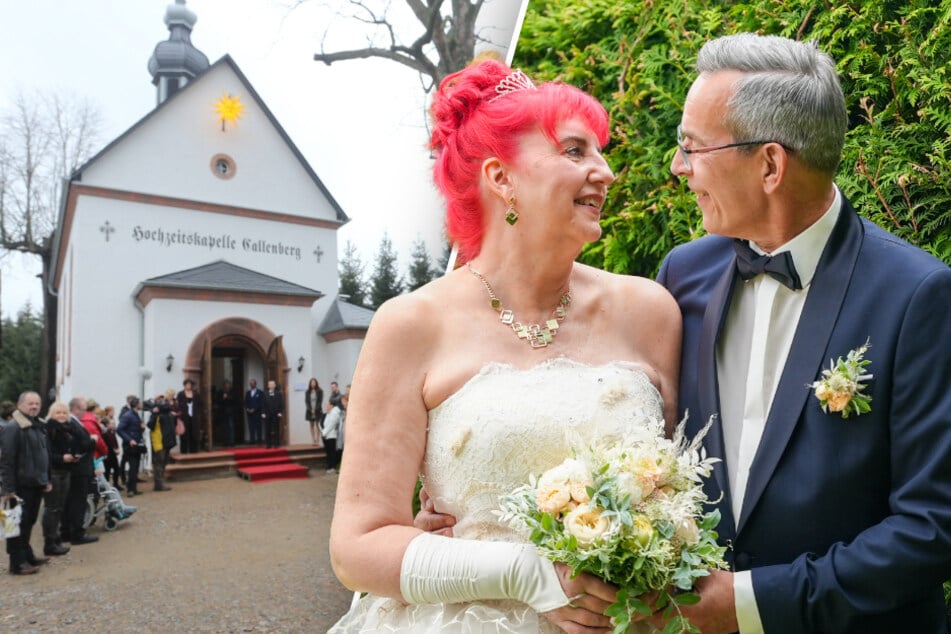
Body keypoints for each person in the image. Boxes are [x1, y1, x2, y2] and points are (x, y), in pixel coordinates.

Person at [327, 58, 680, 633]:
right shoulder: (411, 324)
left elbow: (681, 486)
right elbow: (356, 547)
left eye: (600, 152)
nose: (607, 172)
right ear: (501, 177)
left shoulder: (649, 312)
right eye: (574, 151)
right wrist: (527, 574)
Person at [652, 33, 951, 633]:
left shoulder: (919, 295)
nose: (678, 166)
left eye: (692, 147)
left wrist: (749, 603)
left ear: (769, 164)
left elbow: (932, 525)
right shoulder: (679, 276)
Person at [0, 391, 52, 575]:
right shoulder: (13, 427)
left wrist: (46, 479)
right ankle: (17, 563)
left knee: (28, 522)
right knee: (16, 525)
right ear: (20, 405)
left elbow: (42, 455)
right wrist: (7, 489)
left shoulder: (37, 425)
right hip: (19, 486)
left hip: (35, 483)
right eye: (30, 403)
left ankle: (27, 555)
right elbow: (6, 460)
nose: (34, 407)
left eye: (37, 403)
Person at [41, 401, 76, 557]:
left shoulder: (67, 429)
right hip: (54, 472)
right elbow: (46, 454)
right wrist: (63, 458)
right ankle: (49, 543)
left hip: (65, 471)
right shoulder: (49, 429)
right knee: (51, 508)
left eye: (64, 412)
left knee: (59, 507)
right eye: (58, 413)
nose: (61, 415)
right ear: (52, 414)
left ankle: (55, 539)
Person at [62, 396, 99, 545]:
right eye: (83, 409)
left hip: (78, 468)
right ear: (75, 409)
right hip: (80, 468)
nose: (85, 413)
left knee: (71, 500)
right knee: (78, 501)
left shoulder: (73, 423)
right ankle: (77, 533)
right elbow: (81, 444)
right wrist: (92, 440)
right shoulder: (72, 423)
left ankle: (67, 531)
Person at [147, 391, 176, 492]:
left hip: (166, 442)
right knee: (159, 464)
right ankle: (159, 485)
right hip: (159, 442)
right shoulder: (156, 415)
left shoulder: (167, 414)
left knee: (163, 463)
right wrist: (154, 414)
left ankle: (160, 483)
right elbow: (150, 425)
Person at [118, 398, 146, 496]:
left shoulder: (135, 414)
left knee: (135, 467)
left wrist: (141, 428)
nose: (141, 404)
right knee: (133, 467)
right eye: (140, 403)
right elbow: (120, 429)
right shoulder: (128, 416)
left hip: (136, 445)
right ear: (136, 404)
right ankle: (130, 490)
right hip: (130, 446)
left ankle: (133, 489)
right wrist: (129, 439)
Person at [319, 395, 344, 473]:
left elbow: (331, 424)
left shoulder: (334, 413)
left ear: (332, 405)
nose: (326, 406)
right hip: (326, 435)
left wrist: (324, 432)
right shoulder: (329, 413)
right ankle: (329, 466)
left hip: (331, 436)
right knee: (328, 452)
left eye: (327, 404)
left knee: (331, 452)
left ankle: (332, 467)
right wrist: (323, 432)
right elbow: (323, 423)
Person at [176, 379, 201, 454]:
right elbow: (178, 404)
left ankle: (193, 450)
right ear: (184, 385)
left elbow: (200, 404)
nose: (188, 386)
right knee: (184, 434)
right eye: (187, 384)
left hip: (193, 417)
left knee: (193, 433)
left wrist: (197, 411)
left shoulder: (195, 394)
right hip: (184, 417)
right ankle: (184, 451)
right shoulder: (180, 394)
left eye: (190, 385)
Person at [261, 380, 283, 449]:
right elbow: (263, 404)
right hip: (267, 414)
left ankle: (276, 444)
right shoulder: (265, 394)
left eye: (273, 384)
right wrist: (263, 413)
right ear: (268, 386)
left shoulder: (278, 394)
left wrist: (280, 412)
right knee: (267, 429)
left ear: (275, 385)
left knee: (276, 429)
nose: (271, 386)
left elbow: (281, 404)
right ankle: (268, 444)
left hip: (276, 414)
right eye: (270, 384)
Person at [217, 380, 236, 447]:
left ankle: (231, 442)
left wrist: (227, 397)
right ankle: (225, 441)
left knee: (231, 427)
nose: (227, 386)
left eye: (228, 384)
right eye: (225, 384)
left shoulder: (232, 391)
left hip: (230, 412)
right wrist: (223, 398)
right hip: (223, 412)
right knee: (224, 427)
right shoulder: (220, 392)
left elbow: (234, 399)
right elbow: (218, 400)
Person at [244, 379, 263, 445]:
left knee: (258, 427)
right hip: (249, 413)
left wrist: (254, 409)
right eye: (250, 384)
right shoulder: (248, 393)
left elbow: (261, 403)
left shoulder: (260, 392)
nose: (251, 385)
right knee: (251, 426)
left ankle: (259, 440)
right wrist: (247, 409)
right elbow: (245, 402)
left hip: (257, 413)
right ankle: (252, 440)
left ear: (255, 384)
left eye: (252, 383)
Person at [304, 378, 323, 445]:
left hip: (317, 410)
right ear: (310, 384)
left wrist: (315, 409)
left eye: (314, 382)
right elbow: (306, 401)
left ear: (316, 383)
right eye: (311, 382)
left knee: (318, 425)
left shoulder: (320, 391)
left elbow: (320, 401)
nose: (313, 384)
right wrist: (310, 409)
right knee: (311, 425)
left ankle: (317, 440)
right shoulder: (307, 391)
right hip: (310, 410)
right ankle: (313, 439)